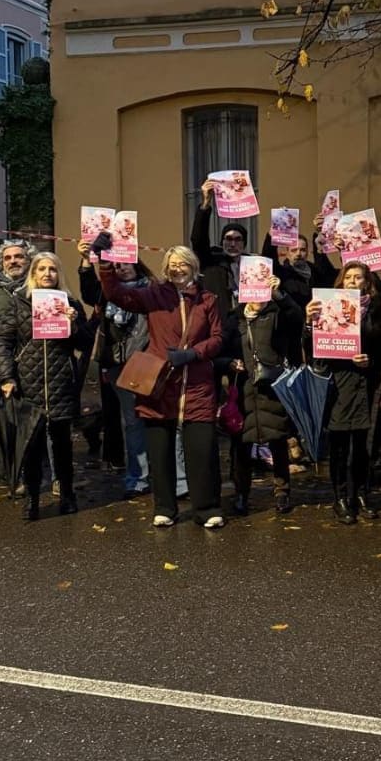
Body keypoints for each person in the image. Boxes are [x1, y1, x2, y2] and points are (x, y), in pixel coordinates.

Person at [98, 243, 225, 529]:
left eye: (183, 263)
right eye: (172, 264)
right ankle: (165, 508)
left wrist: (194, 354)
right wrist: (105, 264)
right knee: (160, 451)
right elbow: (115, 294)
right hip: (160, 384)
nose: (178, 269)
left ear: (194, 267)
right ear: (166, 269)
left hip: (197, 386)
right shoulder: (153, 294)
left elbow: (218, 337)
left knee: (201, 451)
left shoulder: (207, 299)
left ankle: (206, 509)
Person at [0, 251, 93, 521]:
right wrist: (6, 376)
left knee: (62, 445)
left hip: (61, 382)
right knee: (32, 446)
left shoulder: (70, 303)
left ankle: (67, 494)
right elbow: (2, 342)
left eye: (52, 269)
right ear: (33, 273)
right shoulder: (18, 303)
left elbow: (85, 343)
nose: (47, 274)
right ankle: (32, 498)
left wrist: (73, 324)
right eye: (42, 269)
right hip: (29, 382)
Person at [305, 262, 381, 523]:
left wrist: (370, 361)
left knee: (364, 446)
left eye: (359, 277)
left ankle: (361, 495)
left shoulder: (377, 309)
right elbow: (315, 351)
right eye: (349, 277)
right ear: (341, 282)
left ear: (367, 282)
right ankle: (340, 498)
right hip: (340, 385)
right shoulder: (327, 307)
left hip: (367, 384)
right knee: (340, 446)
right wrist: (309, 322)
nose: (353, 281)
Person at [77, 239, 153, 496]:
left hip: (144, 362)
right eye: (117, 264)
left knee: (148, 419)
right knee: (130, 421)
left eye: (126, 262)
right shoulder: (107, 291)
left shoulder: (151, 290)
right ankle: (138, 477)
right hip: (116, 363)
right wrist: (87, 260)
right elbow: (89, 292)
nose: (122, 267)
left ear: (136, 263)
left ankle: (153, 473)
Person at [224, 276, 304, 514]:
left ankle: (282, 492)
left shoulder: (277, 315)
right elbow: (222, 347)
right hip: (244, 389)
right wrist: (229, 363)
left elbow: (297, 317)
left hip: (271, 387)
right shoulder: (234, 319)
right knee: (241, 445)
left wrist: (280, 295)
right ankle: (241, 493)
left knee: (278, 439)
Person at [192, 178, 248, 318]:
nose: (233, 244)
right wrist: (205, 204)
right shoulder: (211, 261)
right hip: (218, 322)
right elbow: (198, 239)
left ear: (244, 243)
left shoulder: (251, 264)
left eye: (238, 239)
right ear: (222, 242)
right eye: (228, 239)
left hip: (246, 323)